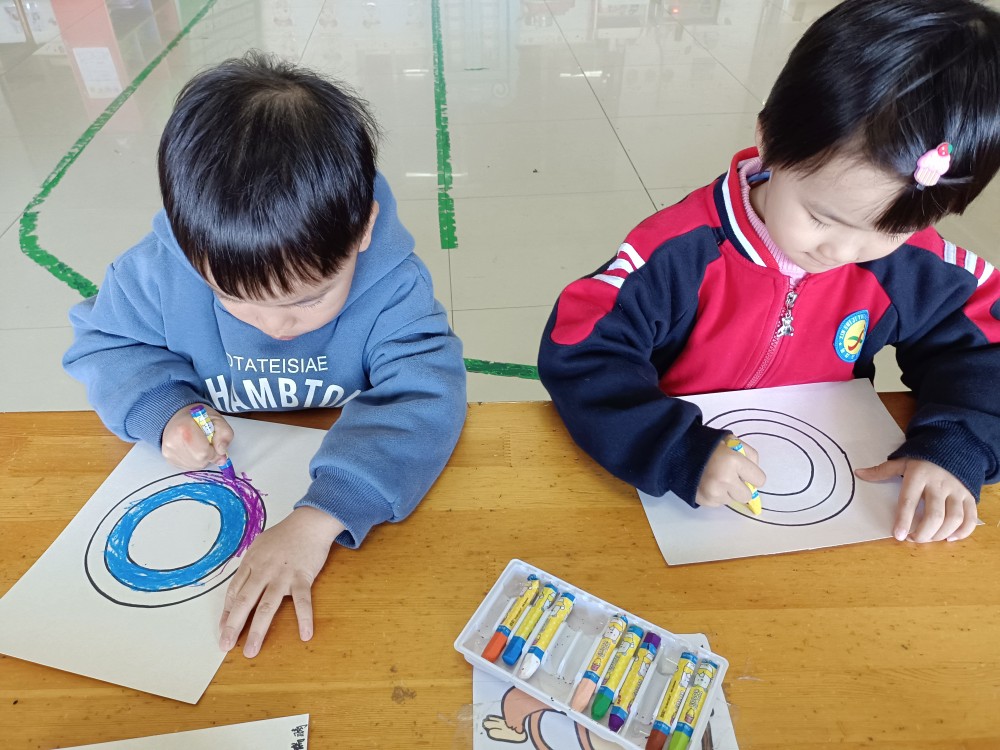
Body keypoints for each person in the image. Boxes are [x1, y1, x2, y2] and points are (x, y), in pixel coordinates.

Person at [537, 0, 1000, 545]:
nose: (844, 250)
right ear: (769, 140)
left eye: (891, 230)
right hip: (673, 497)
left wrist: (957, 443)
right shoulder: (678, 253)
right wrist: (672, 448)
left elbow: (985, 347)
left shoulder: (911, 262)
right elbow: (584, 352)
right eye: (821, 218)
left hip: (836, 491)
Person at [63, 52, 467, 656]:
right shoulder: (153, 275)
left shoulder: (394, 286)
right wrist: (165, 410)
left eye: (309, 299)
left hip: (334, 468)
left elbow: (426, 393)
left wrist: (323, 515)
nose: (277, 325)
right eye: (235, 300)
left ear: (363, 229)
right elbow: (109, 344)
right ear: (191, 248)